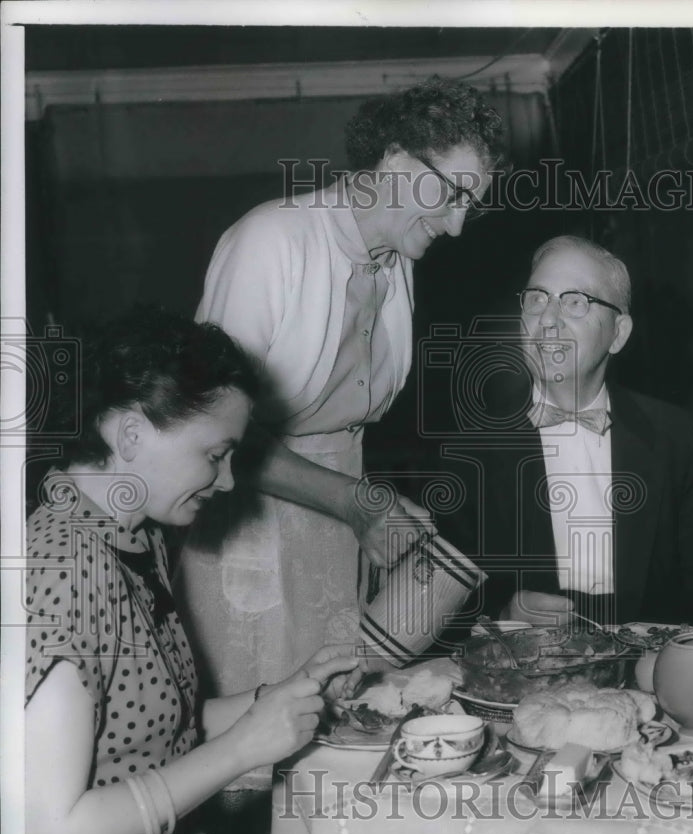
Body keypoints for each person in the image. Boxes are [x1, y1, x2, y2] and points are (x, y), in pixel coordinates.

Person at [23, 306, 365, 834]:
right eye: (215, 454)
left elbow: (149, 733)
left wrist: (277, 698)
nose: (230, 480)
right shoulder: (62, 569)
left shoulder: (130, 536)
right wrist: (243, 749)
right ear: (129, 436)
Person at [174, 76, 505, 699]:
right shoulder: (271, 240)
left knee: (335, 723)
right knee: (253, 748)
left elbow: (343, 429)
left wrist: (370, 508)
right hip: (245, 525)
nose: (459, 226)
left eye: (472, 204)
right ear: (395, 158)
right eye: (453, 193)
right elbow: (208, 429)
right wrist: (356, 502)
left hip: (337, 525)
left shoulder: (397, 259)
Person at [439, 235, 693, 630]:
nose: (548, 320)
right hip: (519, 682)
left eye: (574, 301)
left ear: (618, 333)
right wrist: (502, 618)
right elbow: (438, 614)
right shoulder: (470, 450)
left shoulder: (680, 441)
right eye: (537, 298)